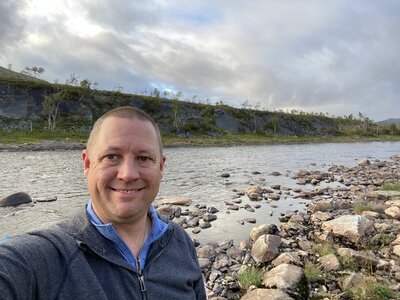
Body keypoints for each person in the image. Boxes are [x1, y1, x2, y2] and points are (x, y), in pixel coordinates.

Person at [0, 106, 207, 299]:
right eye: (111, 156)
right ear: (88, 164)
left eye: (143, 158)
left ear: (161, 167)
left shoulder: (179, 241)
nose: (128, 174)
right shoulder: (46, 257)